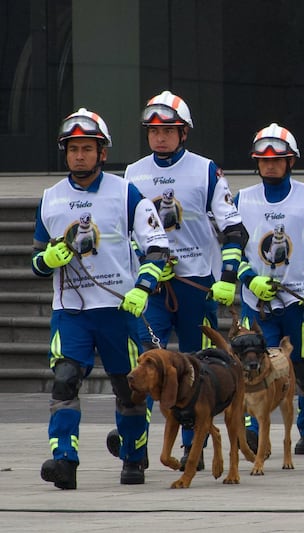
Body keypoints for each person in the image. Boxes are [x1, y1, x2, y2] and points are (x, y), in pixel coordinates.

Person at [34, 108, 169, 489]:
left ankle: (133, 457)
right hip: (71, 311)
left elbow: (158, 247)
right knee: (64, 380)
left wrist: (143, 288)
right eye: (73, 149)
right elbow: (35, 259)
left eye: (87, 149)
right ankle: (64, 461)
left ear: (102, 153)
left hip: (118, 309)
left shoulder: (127, 194)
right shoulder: (50, 198)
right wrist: (46, 260)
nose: (79, 155)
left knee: (129, 388)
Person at [118, 90, 248, 469]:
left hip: (196, 283)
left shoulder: (206, 170)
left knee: (197, 368)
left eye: (169, 130)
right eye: (154, 131)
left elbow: (234, 228)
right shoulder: (133, 172)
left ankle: (196, 443)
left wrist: (227, 277)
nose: (160, 137)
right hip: (153, 288)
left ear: (184, 133)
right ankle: (134, 440)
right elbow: (128, 230)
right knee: (143, 363)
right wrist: (146, 266)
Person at [235, 123, 304, 455]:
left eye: (277, 160)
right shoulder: (242, 199)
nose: (270, 165)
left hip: (300, 300)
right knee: (251, 366)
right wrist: (249, 279)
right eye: (263, 161)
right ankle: (252, 431)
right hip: (258, 300)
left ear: (290, 161)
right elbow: (230, 251)